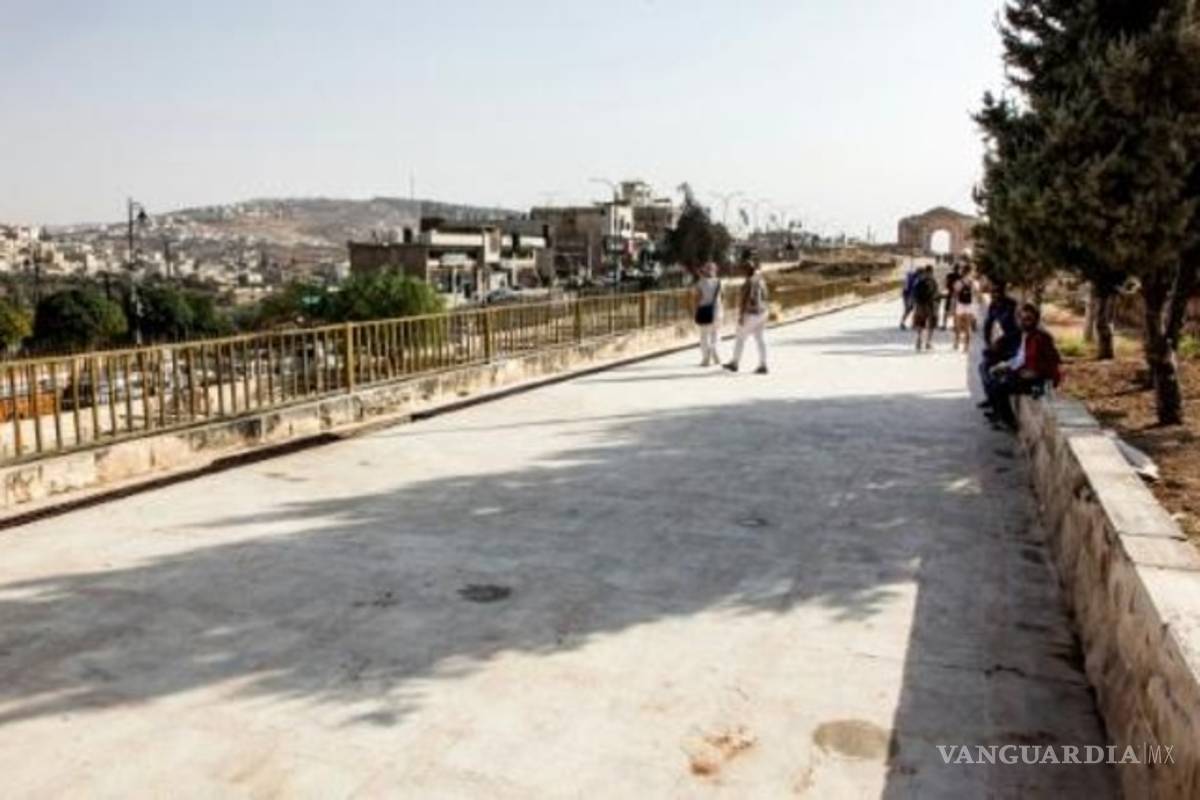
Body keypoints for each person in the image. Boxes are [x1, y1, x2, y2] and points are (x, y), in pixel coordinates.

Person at [984, 303, 1062, 429]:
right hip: (1026, 374)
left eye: (1029, 319)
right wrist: (1005, 366)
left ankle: (1010, 422)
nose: (1025, 322)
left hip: (1039, 381)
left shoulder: (1041, 338)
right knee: (993, 376)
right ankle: (1000, 415)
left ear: (1036, 320)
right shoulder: (1025, 335)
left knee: (999, 387)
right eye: (1022, 319)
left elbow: (1053, 362)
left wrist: (1038, 375)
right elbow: (1021, 358)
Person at [977, 280, 1021, 408]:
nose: (994, 294)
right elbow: (988, 324)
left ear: (1003, 292)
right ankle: (991, 398)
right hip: (1001, 345)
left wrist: (1000, 342)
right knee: (984, 367)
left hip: (1012, 347)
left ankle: (997, 405)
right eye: (992, 292)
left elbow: (1016, 330)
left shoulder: (1011, 306)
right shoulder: (993, 305)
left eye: (997, 292)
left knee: (994, 371)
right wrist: (988, 343)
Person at [724, 257, 770, 374]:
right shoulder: (761, 280)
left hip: (751, 314)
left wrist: (741, 316)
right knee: (760, 339)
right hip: (763, 312)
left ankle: (735, 363)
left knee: (740, 338)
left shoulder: (748, 282)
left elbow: (744, 300)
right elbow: (767, 295)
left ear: (745, 271)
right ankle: (763, 364)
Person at [693, 263, 723, 366]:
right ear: (715, 270)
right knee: (716, 333)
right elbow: (722, 297)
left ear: (705, 270)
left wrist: (695, 310)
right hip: (717, 311)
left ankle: (706, 358)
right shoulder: (719, 282)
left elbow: (697, 298)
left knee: (704, 335)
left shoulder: (700, 283)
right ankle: (714, 350)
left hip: (704, 311)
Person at [910, 265, 940, 351]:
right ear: (931, 272)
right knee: (931, 324)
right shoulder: (933, 281)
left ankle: (919, 339)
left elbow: (914, 294)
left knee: (920, 324)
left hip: (920, 306)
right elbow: (936, 294)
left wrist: (915, 304)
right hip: (930, 306)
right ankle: (928, 342)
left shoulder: (919, 281)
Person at [951, 264, 979, 352]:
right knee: (968, 327)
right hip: (970, 306)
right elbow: (977, 295)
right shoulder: (974, 282)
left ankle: (956, 342)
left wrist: (952, 307)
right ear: (971, 272)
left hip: (960, 305)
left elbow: (955, 295)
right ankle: (966, 347)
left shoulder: (959, 282)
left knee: (958, 326)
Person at [942, 262, 962, 330]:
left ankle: (944, 325)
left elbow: (945, 283)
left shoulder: (949, 275)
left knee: (946, 310)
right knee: (956, 311)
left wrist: (947, 288)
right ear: (959, 269)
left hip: (950, 293)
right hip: (957, 295)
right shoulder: (960, 276)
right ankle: (955, 325)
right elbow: (960, 287)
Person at [899, 263, 920, 330]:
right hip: (910, 295)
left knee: (909, 309)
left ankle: (903, 323)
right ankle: (912, 324)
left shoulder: (910, 276)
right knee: (912, 309)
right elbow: (913, 288)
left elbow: (906, 287)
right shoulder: (916, 278)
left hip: (906, 294)